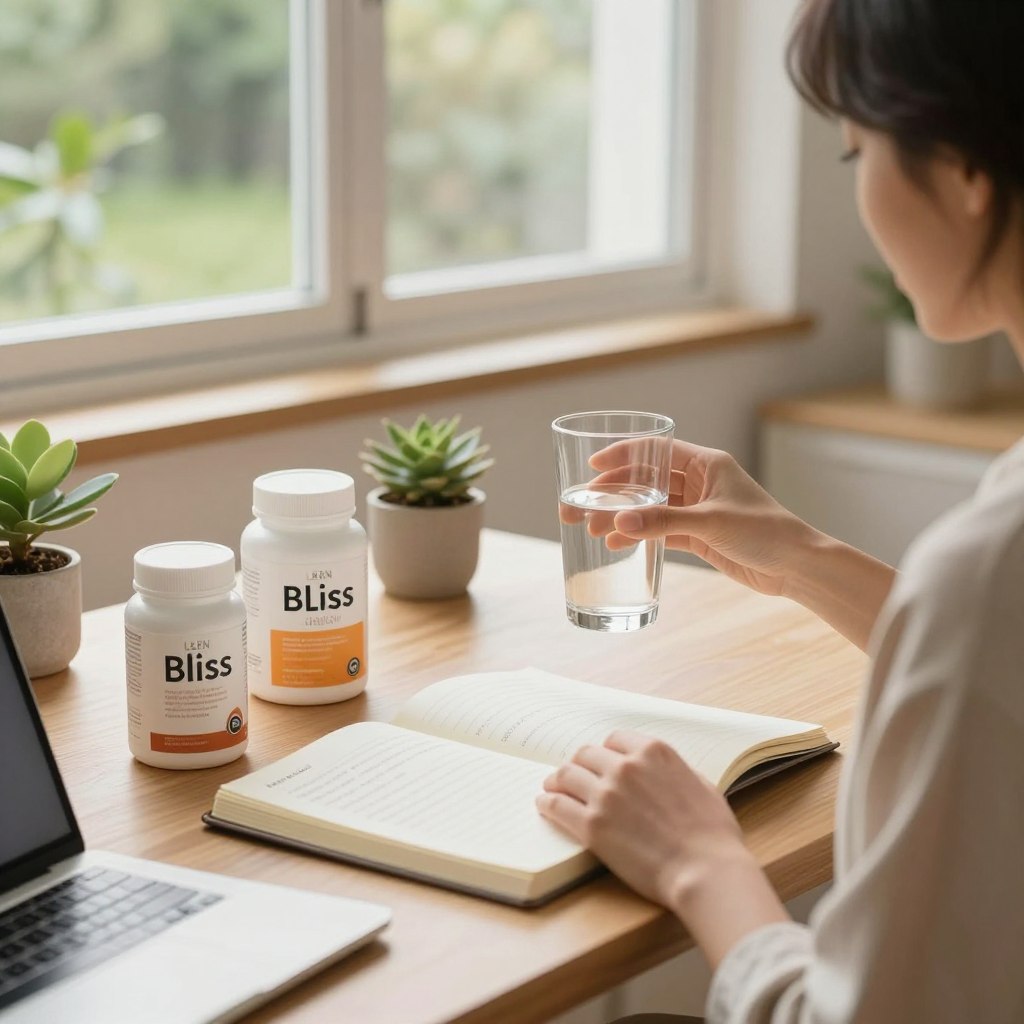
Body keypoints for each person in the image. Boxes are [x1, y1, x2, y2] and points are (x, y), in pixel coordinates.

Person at [536, 0, 1024, 1021]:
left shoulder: (988, 560)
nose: (861, 197)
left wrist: (698, 861)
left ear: (969, 170)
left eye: (856, 156)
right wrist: (799, 555)